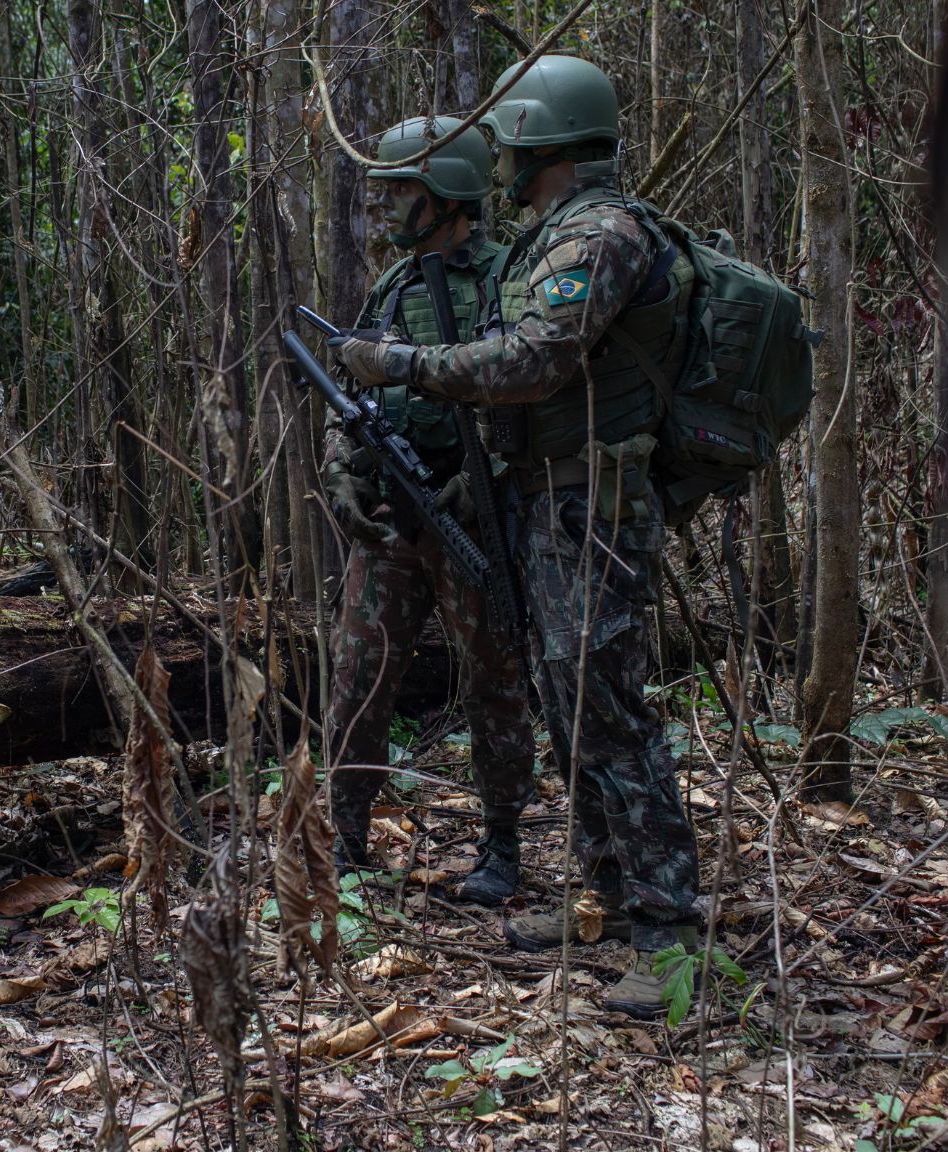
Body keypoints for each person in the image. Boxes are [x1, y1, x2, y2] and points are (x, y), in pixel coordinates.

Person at [329, 56, 702, 1016]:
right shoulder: (558, 234)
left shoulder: (601, 232)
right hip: (552, 505)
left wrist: (408, 365)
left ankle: (667, 942)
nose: (499, 151)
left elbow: (536, 359)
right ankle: (615, 903)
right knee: (573, 702)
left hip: (590, 509)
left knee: (608, 712)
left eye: (510, 133)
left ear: (538, 133)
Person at [322, 114, 538, 907]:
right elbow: (352, 392)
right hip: (391, 515)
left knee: (495, 682)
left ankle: (504, 846)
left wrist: (486, 487)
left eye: (404, 188)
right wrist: (341, 472)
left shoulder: (509, 279)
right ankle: (344, 840)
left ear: (448, 193)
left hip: (473, 519)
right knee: (357, 674)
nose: (389, 206)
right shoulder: (397, 284)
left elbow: (535, 393)